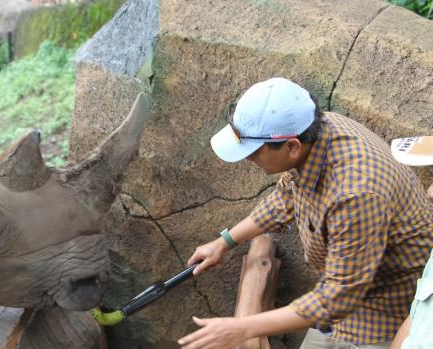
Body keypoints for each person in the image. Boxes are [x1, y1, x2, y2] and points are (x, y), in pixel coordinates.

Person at [177, 77, 433, 349]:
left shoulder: (356, 193)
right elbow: (286, 195)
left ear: (292, 146)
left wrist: (241, 327)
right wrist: (225, 242)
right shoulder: (318, 128)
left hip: (381, 307)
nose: (246, 158)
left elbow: (337, 297)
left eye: (253, 151)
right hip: (341, 288)